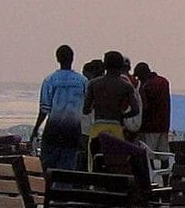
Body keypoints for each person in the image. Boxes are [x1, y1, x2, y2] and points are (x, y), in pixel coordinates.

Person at [33, 44, 88, 174]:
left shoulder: (50, 80)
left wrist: (36, 128)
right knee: (67, 169)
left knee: (48, 167)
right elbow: (87, 108)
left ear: (57, 59)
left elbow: (44, 109)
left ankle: (49, 193)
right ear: (72, 59)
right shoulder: (82, 81)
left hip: (53, 129)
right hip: (73, 131)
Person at [83, 50, 141, 146]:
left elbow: (85, 110)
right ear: (120, 66)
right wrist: (122, 116)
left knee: (94, 158)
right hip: (116, 128)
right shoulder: (126, 86)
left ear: (105, 66)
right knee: (116, 159)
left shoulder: (93, 84)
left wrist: (95, 107)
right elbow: (135, 110)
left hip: (98, 129)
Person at [133, 61, 171, 152]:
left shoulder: (146, 86)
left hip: (150, 127)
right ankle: (166, 166)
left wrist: (139, 124)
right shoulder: (163, 81)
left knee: (148, 152)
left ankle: (151, 167)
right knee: (163, 153)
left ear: (142, 74)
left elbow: (145, 107)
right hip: (164, 124)